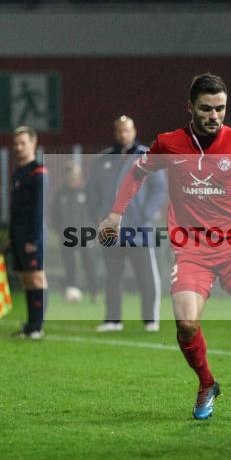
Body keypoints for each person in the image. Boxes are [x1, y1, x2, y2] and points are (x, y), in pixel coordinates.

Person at [97, 73, 231, 420]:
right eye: (206, 108)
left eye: (220, 108)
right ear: (190, 107)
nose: (214, 116)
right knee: (187, 323)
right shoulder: (168, 144)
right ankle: (206, 383)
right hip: (191, 249)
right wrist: (115, 215)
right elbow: (135, 173)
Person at [86, 116, 166, 332]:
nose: (124, 134)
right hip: (111, 230)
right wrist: (96, 215)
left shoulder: (147, 157)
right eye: (120, 131)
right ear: (115, 132)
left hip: (138, 229)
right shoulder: (103, 159)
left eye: (127, 130)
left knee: (146, 275)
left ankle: (150, 320)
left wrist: (146, 214)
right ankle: (113, 320)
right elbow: (91, 190)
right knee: (112, 276)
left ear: (134, 131)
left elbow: (159, 189)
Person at [9, 126, 48, 340]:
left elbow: (40, 209)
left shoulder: (38, 172)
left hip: (33, 236)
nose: (18, 147)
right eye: (16, 144)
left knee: (36, 279)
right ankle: (31, 324)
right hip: (18, 235)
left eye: (23, 143)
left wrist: (34, 238)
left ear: (33, 144)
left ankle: (37, 327)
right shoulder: (18, 172)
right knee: (26, 279)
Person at [51, 162, 98, 302]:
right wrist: (59, 231)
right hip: (67, 236)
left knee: (89, 264)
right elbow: (54, 215)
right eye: (71, 176)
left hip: (85, 235)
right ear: (66, 177)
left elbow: (93, 214)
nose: (74, 178)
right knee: (70, 266)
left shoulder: (86, 192)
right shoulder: (60, 194)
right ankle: (71, 293)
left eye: (76, 175)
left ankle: (94, 292)